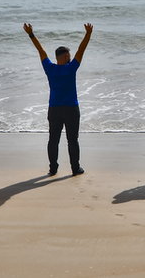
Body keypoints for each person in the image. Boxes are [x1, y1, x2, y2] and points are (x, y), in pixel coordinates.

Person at [23, 22, 93, 176]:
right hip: (71, 108)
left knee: (53, 140)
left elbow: (40, 50)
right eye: (69, 54)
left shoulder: (50, 68)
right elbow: (82, 50)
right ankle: (75, 168)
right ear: (67, 56)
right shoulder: (71, 67)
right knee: (72, 140)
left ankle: (53, 169)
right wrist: (88, 34)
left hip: (54, 109)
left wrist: (31, 34)